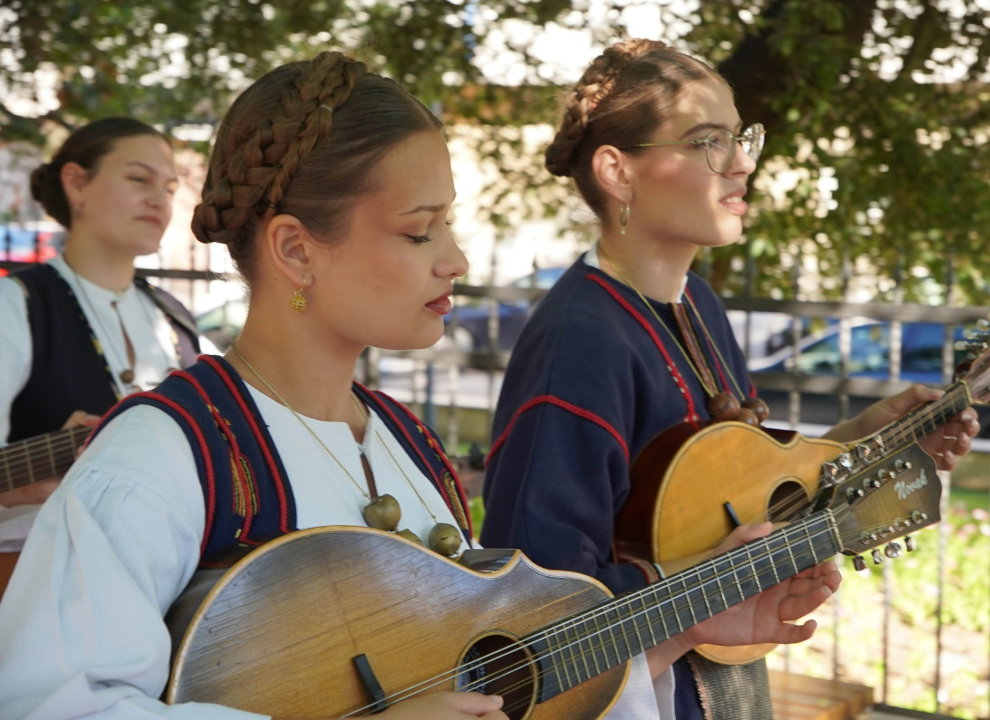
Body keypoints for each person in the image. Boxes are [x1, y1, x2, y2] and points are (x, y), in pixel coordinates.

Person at [0, 52, 839, 720]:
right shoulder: (164, 456)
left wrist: (678, 628)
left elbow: (493, 684)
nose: (455, 260)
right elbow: (53, 704)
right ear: (295, 250)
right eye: (418, 231)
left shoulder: (407, 446)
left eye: (449, 224)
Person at [479, 39, 980, 720]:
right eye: (708, 141)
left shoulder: (698, 305)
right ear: (618, 172)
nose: (744, 163)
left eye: (742, 137)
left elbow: (730, 503)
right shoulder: (579, 344)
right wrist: (695, 598)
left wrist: (863, 440)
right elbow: (538, 612)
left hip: (726, 693)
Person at [0, 118, 204, 560]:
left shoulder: (172, 316)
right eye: (139, 179)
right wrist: (21, 489)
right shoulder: (15, 305)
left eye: (169, 189)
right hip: (47, 573)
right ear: (76, 184)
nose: (159, 200)